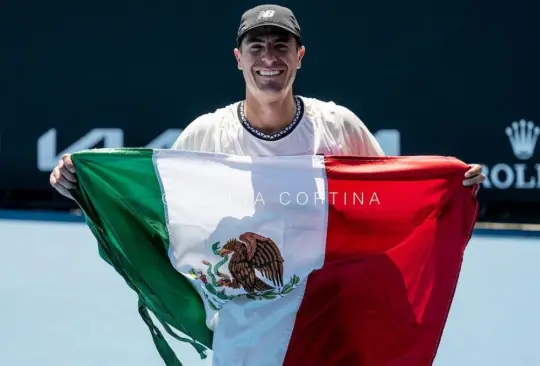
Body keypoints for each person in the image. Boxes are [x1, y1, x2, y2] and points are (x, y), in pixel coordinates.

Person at [50, 4, 485, 200]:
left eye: (282, 45)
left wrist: (450, 186)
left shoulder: (339, 125)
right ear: (239, 59)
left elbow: (390, 198)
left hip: (326, 309)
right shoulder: (206, 134)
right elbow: (155, 205)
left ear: (300, 56)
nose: (269, 59)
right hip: (243, 319)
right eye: (256, 47)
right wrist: (84, 185)